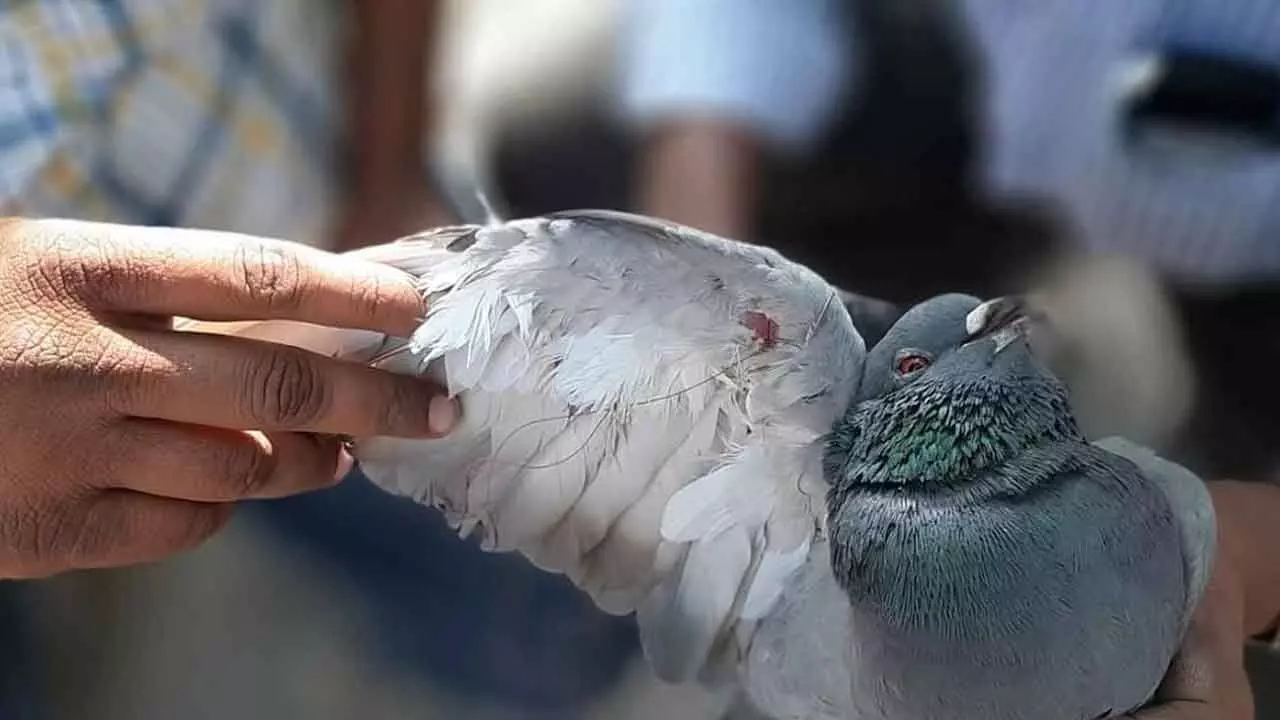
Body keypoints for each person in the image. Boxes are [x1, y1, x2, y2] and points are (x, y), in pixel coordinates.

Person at [615, 1, 1280, 717]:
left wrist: (1230, 560)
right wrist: (700, 278)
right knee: (597, 204)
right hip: (983, 90)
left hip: (1251, 262)